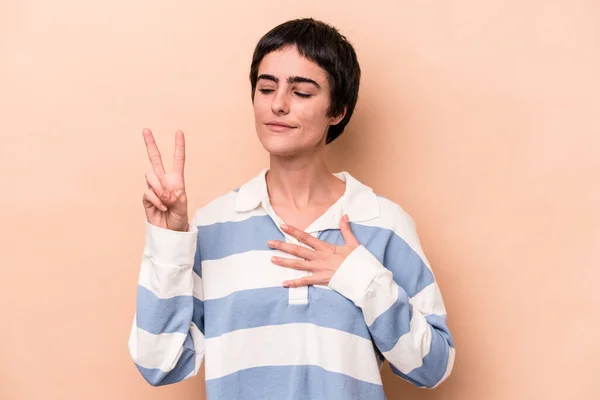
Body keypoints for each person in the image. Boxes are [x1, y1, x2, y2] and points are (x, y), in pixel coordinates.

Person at [128, 17, 454, 399]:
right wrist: (168, 240)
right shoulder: (214, 225)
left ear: (338, 111)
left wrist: (362, 278)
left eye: (301, 92)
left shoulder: (383, 222)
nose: (278, 105)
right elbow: (159, 364)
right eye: (266, 88)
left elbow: (433, 368)